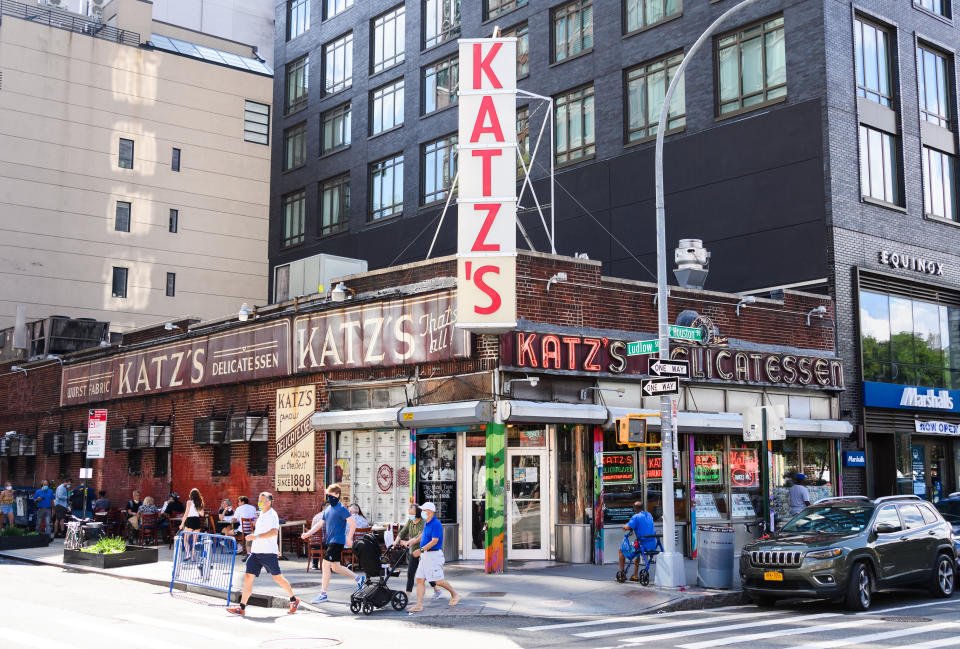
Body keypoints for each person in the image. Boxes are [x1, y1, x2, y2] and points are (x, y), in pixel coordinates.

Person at [226, 492, 300, 617]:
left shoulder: (272, 515)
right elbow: (261, 531)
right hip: (255, 553)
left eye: (262, 501)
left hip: (268, 553)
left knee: (278, 578)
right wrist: (255, 536)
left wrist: (257, 537)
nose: (259, 503)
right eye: (259, 500)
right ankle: (242, 607)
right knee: (248, 578)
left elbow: (273, 532)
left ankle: (294, 600)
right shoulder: (261, 514)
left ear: (269, 502)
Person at [300, 484, 362, 603]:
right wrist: (308, 534)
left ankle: (323, 594)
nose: (329, 497)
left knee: (325, 564)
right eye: (328, 495)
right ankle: (359, 579)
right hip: (330, 541)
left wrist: (349, 538)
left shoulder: (342, 508)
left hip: (337, 541)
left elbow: (353, 523)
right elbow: (319, 524)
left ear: (337, 495)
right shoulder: (327, 509)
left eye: (332, 495)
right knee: (336, 567)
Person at [408, 501, 459, 612]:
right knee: (420, 579)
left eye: (424, 510)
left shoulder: (436, 524)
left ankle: (455, 594)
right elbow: (424, 534)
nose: (422, 512)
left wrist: (420, 550)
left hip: (433, 556)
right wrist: (413, 541)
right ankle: (419, 605)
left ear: (430, 512)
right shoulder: (427, 522)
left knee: (438, 581)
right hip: (425, 556)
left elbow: (434, 541)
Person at [394, 504, 441, 597]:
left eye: (412, 513)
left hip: (423, 551)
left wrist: (409, 542)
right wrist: (396, 541)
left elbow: (420, 536)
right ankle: (407, 595)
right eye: (409, 513)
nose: (410, 515)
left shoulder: (423, 522)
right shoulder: (410, 521)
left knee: (426, 573)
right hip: (413, 551)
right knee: (410, 573)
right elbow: (403, 532)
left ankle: (437, 589)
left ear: (418, 513)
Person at [619, 502, 656, 582]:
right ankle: (635, 575)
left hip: (642, 544)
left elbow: (628, 526)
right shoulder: (649, 515)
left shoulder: (636, 517)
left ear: (634, 509)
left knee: (621, 550)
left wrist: (624, 527)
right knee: (637, 552)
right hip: (652, 544)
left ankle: (622, 574)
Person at [180, 488, 205, 558]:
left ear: (191, 495)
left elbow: (186, 514)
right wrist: (198, 508)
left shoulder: (189, 502)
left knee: (185, 539)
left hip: (190, 521)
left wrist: (182, 524)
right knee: (194, 541)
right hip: (197, 521)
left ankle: (188, 554)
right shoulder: (200, 503)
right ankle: (193, 556)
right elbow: (202, 514)